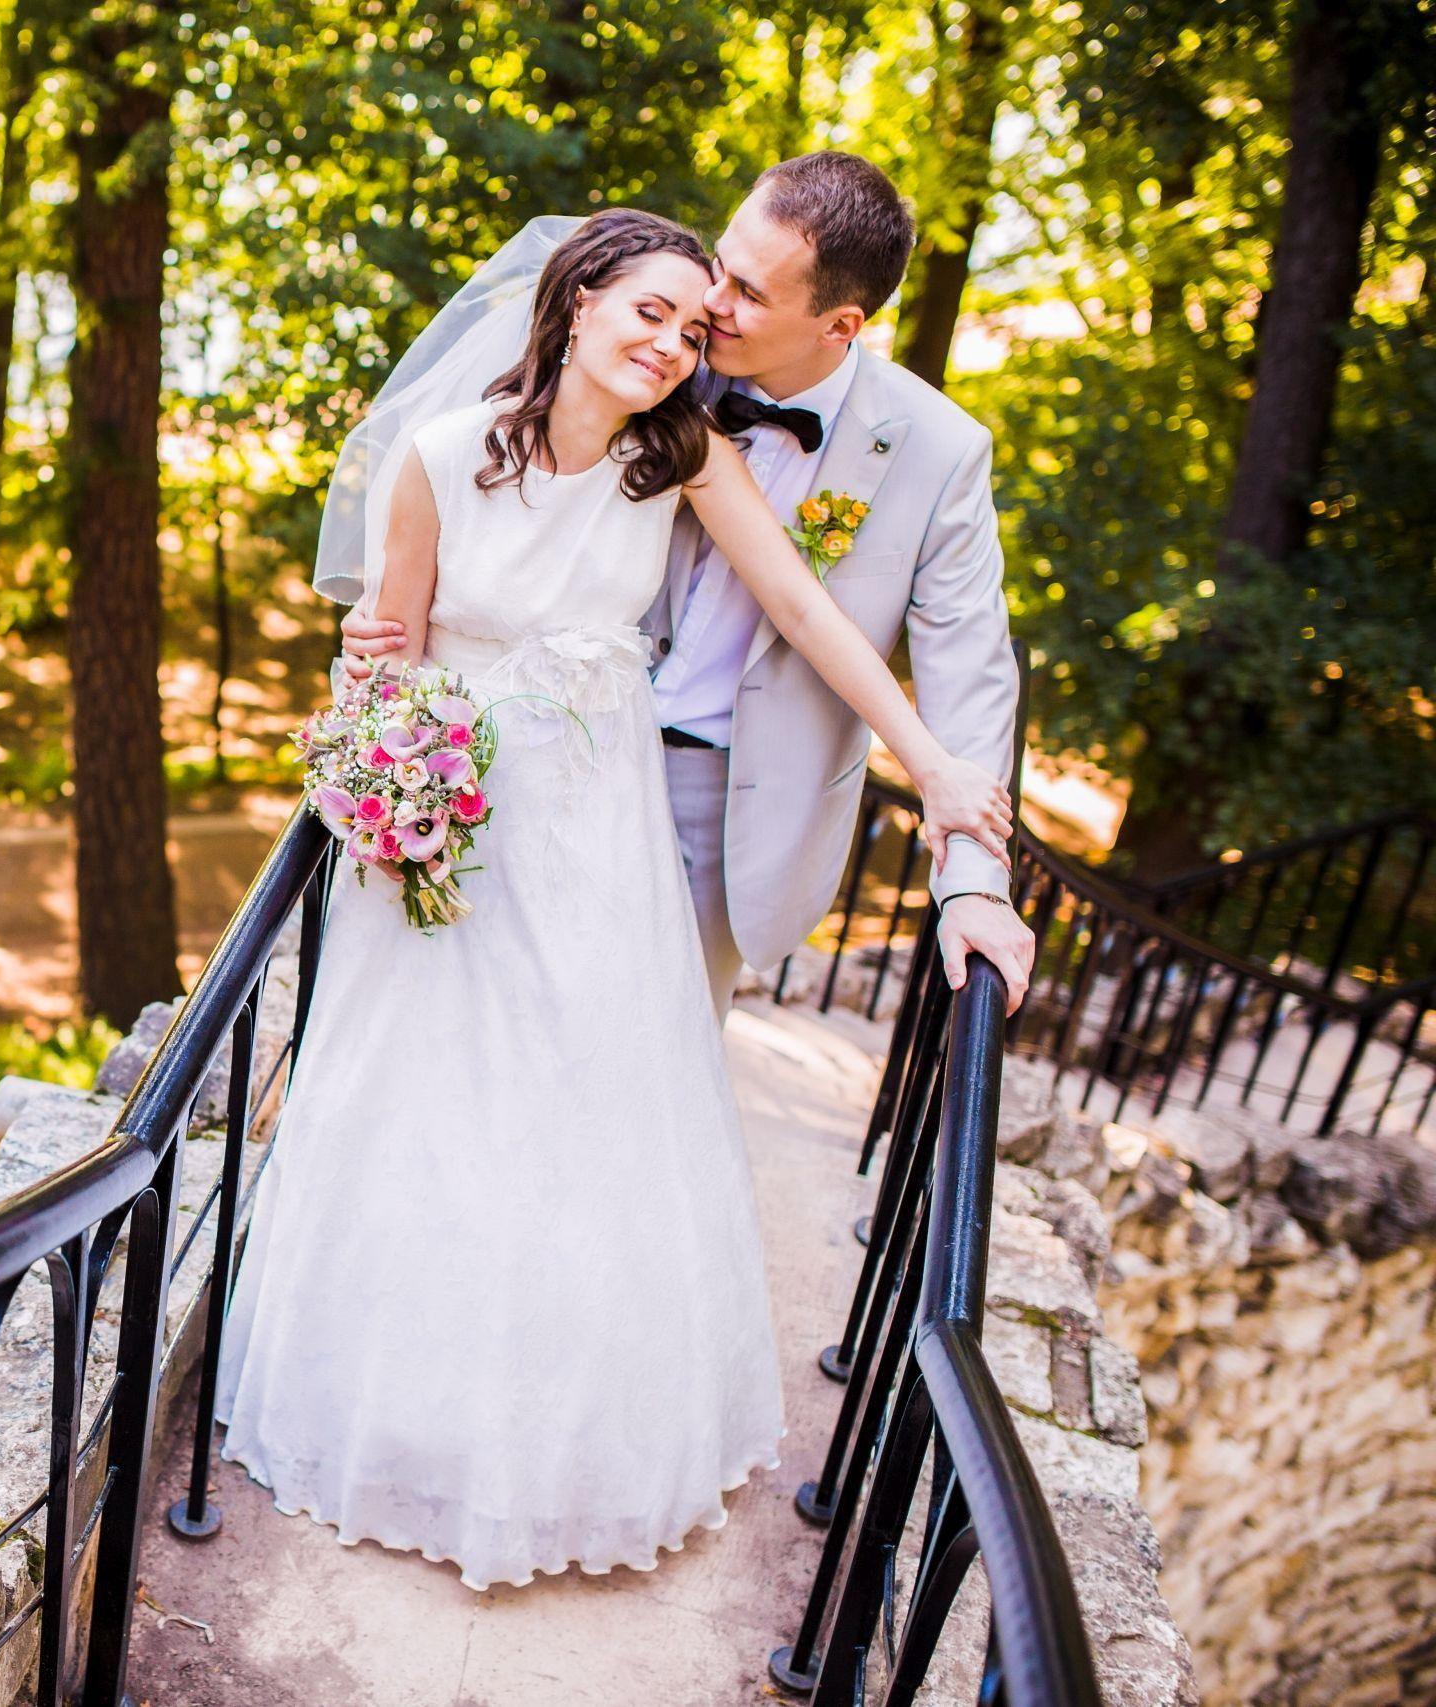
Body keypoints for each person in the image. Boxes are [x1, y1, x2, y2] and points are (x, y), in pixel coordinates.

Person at [208, 208, 1014, 1591]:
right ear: (576, 298)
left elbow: (809, 613)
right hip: (459, 828)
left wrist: (936, 768)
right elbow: (387, 658)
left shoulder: (678, 454)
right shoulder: (438, 456)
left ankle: (570, 1438)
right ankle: (405, 1413)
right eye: (651, 312)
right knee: (430, 1113)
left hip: (603, 843)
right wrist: (385, 771)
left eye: (694, 327)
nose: (677, 342)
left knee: (589, 1120)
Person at [338, 153, 1037, 1019]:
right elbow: (481, 522)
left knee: (651, 1050)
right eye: (721, 268)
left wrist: (974, 877)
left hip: (735, 805)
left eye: (746, 293)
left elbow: (955, 665)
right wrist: (384, 634)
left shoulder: (937, 451)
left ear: (839, 324)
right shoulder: (645, 353)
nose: (710, 304)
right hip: (514, 767)